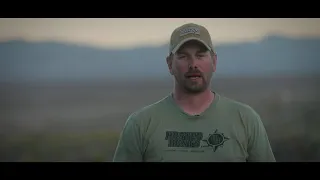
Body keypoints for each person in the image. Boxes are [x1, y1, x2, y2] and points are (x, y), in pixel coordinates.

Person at [113, 23, 276, 162]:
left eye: (200, 55)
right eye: (183, 56)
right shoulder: (140, 124)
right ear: (170, 64)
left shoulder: (246, 120)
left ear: (214, 61)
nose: (193, 64)